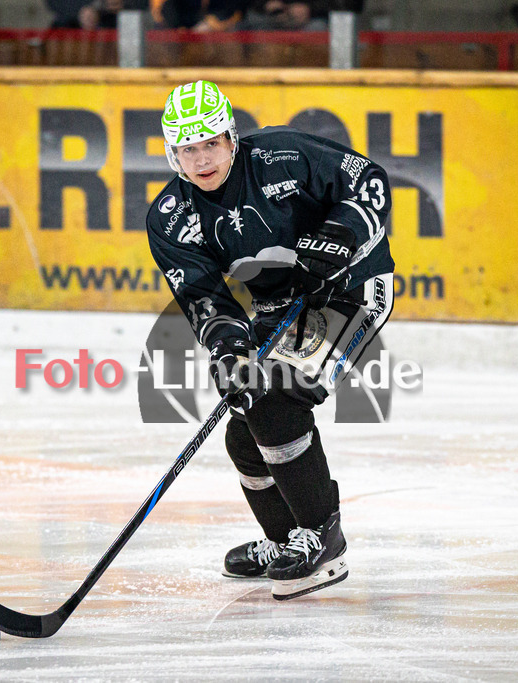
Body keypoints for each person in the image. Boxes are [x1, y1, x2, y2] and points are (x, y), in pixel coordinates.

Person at [145, 80, 395, 600]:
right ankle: (286, 541)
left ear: (232, 138)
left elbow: (369, 181)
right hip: (281, 304)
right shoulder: (171, 219)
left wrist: (341, 235)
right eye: (188, 149)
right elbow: (204, 299)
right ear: (173, 153)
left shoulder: (284, 155)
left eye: (211, 142)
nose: (202, 159)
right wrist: (229, 352)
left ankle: (324, 540)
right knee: (246, 427)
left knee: (277, 398)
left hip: (351, 289)